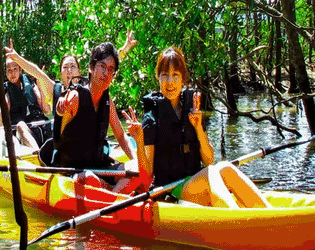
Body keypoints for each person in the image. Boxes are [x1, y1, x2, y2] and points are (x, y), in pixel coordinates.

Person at [126, 47, 216, 204]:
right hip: (171, 191)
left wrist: (198, 127)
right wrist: (139, 141)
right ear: (158, 78)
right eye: (165, 75)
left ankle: (255, 211)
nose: (169, 82)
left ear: (183, 78)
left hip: (194, 182)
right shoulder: (151, 118)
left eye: (175, 75)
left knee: (225, 169)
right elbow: (147, 178)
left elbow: (209, 160)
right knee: (217, 173)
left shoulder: (192, 109)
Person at [54, 41, 134, 171]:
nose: (106, 73)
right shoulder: (75, 97)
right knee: (91, 179)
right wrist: (60, 111)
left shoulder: (107, 100)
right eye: (102, 66)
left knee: (134, 169)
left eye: (111, 70)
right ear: (91, 67)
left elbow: (120, 135)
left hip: (98, 165)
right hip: (73, 169)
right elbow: (60, 138)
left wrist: (135, 160)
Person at [0, 56, 50, 156]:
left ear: (20, 70)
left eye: (15, 69)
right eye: (9, 70)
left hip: (40, 128)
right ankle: (38, 155)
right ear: (6, 73)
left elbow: (47, 110)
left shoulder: (31, 84)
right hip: (23, 133)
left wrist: (41, 86)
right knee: (20, 125)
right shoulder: (7, 93)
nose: (12, 73)